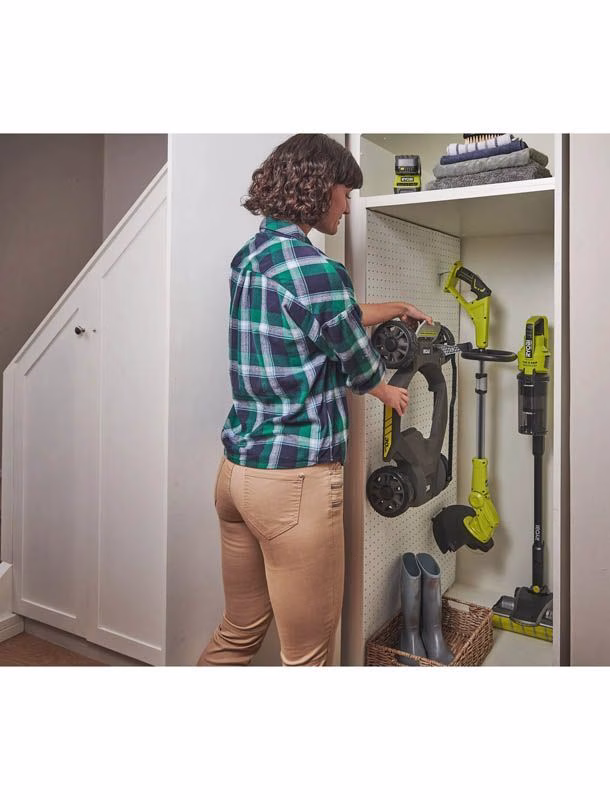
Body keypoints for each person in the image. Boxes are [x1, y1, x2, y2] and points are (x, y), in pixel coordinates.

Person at [197, 134, 432, 667]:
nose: (347, 207)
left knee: (238, 632)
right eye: (345, 193)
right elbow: (358, 364)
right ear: (320, 188)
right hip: (294, 484)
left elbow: (325, 314)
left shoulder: (251, 257)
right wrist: (384, 387)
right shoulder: (318, 270)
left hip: (237, 475)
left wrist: (395, 306)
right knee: (308, 657)